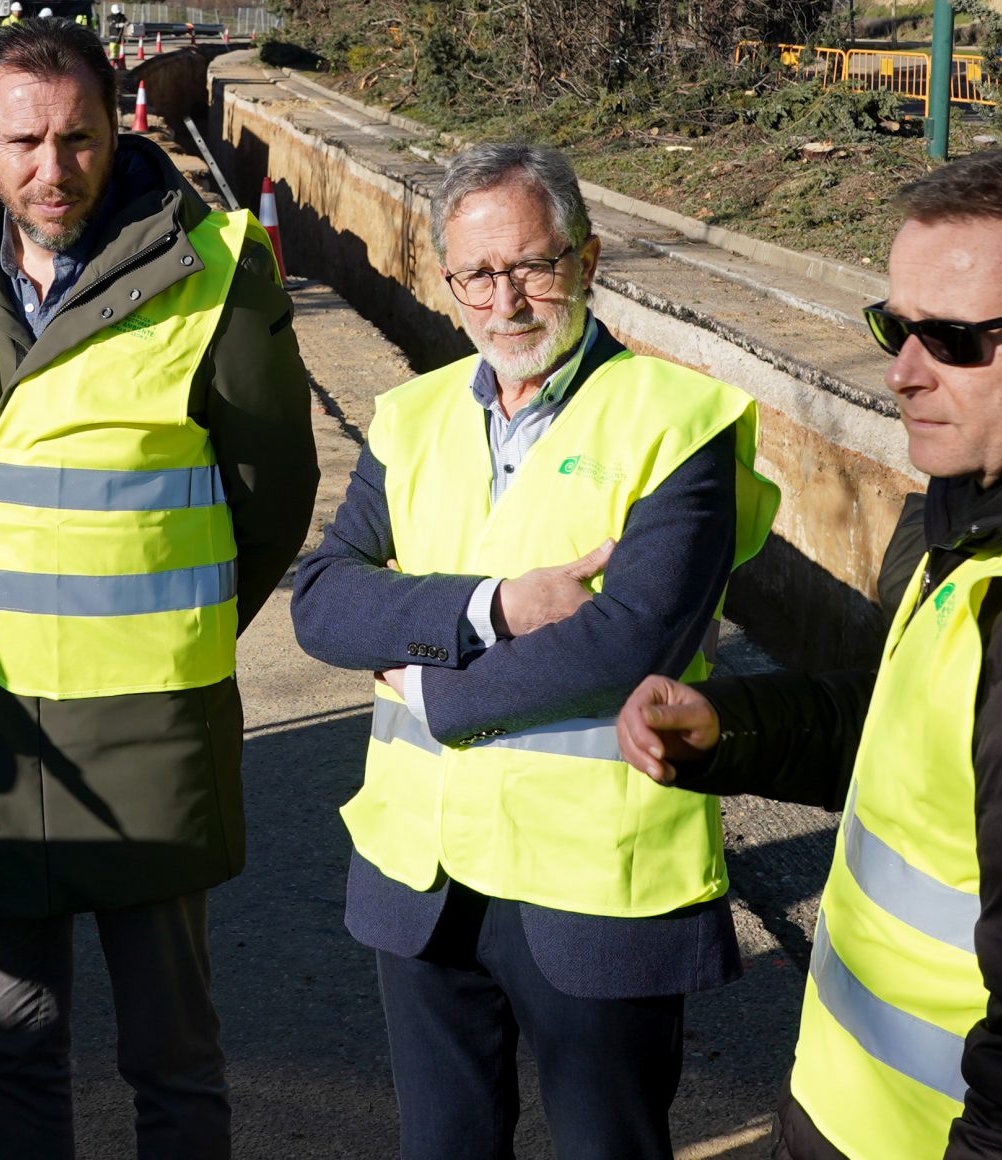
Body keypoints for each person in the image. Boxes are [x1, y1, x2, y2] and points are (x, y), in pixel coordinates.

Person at [292, 143, 779, 1160]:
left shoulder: (675, 421)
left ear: (587, 259)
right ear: (447, 281)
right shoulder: (412, 417)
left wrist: (427, 690)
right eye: (476, 273)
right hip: (422, 879)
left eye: (531, 265)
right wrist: (495, 606)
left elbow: (632, 637)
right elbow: (324, 602)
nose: (505, 299)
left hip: (595, 885)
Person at [0, 18, 316, 1160]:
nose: (51, 166)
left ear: (114, 124)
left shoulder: (210, 266)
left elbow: (272, 488)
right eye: (23, 139)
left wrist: (181, 622)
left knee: (169, 1057)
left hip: (146, 734)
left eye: (76, 136)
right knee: (8, 1043)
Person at [618, 145, 1002, 1160]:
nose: (903, 371)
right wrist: (733, 727)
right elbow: (906, 742)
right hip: (843, 1110)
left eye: (953, 338)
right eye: (894, 327)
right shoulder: (975, 520)